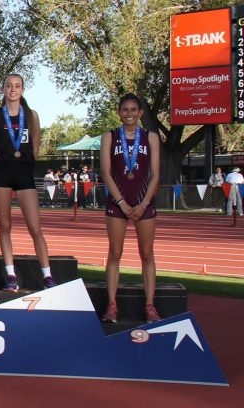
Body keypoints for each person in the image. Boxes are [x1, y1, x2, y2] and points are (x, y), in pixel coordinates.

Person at [0, 74, 55, 291]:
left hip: (24, 173)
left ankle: (47, 276)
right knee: (5, 226)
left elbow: (35, 145)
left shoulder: (31, 115)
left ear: (23, 90)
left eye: (17, 86)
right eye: (8, 86)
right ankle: (11, 276)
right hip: (2, 174)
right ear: (3, 89)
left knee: (35, 228)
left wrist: (25, 160)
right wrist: (2, 163)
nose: (12, 89)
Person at [99, 93, 161, 324]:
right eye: (125, 109)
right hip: (118, 203)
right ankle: (112, 305)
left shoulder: (151, 137)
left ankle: (149, 305)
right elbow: (106, 172)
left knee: (147, 254)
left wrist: (143, 203)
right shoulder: (110, 137)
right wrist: (123, 203)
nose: (129, 114)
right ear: (119, 112)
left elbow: (155, 173)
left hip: (144, 202)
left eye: (134, 110)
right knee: (115, 253)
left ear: (141, 113)